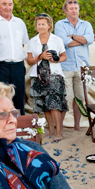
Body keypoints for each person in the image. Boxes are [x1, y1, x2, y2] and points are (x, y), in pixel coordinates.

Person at [54, 0, 94, 131]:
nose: (74, 11)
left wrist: (72, 36)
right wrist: (82, 40)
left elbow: (90, 39)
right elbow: (64, 42)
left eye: (76, 8)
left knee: (80, 98)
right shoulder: (60, 24)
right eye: (71, 8)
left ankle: (77, 126)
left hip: (82, 66)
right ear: (65, 10)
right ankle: (60, 129)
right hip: (66, 66)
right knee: (65, 99)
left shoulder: (86, 24)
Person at [26, 13, 68, 141]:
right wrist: (40, 57)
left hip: (54, 75)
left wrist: (56, 60)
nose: (41, 26)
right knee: (45, 106)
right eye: (38, 24)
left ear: (49, 26)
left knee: (55, 104)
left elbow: (64, 56)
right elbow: (29, 61)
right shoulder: (32, 41)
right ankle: (51, 130)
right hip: (38, 76)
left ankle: (59, 133)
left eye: (43, 24)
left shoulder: (57, 40)